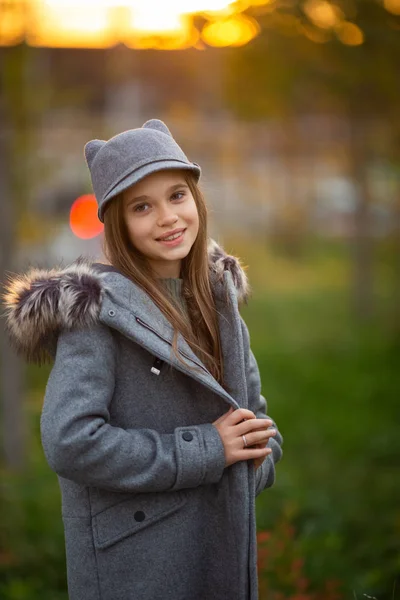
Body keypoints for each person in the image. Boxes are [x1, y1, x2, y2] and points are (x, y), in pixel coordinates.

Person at [3, 119, 283, 600]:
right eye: (142, 207)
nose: (168, 218)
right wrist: (208, 451)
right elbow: (69, 442)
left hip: (219, 553)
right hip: (139, 567)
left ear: (196, 198)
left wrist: (253, 462)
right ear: (117, 222)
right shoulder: (96, 313)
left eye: (177, 195)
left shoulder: (219, 303)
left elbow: (256, 425)